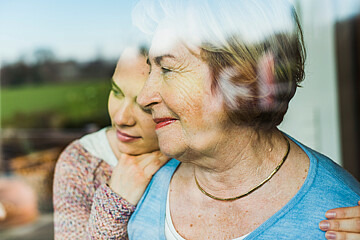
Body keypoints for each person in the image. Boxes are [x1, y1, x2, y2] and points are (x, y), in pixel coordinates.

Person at [125, 0, 360, 239]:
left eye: (167, 69)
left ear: (246, 79)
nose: (144, 98)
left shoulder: (339, 219)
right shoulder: (133, 183)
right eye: (150, 71)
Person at [53, 47, 169, 239]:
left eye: (145, 107)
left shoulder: (202, 159)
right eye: (116, 92)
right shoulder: (81, 163)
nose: (121, 118)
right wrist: (114, 206)